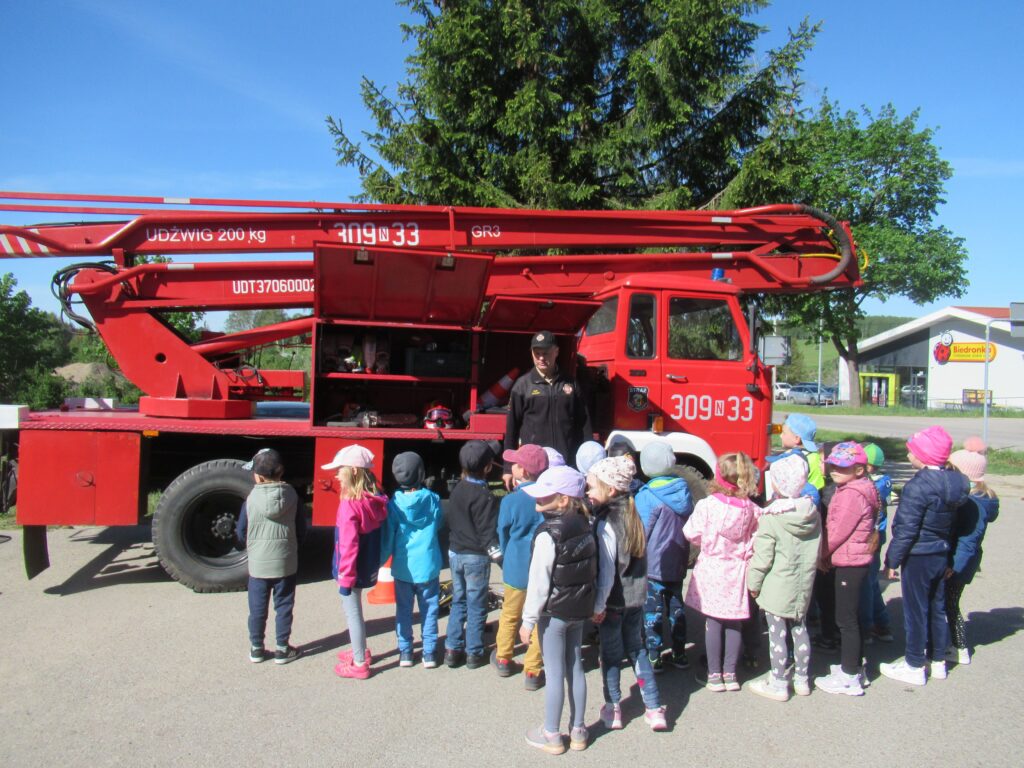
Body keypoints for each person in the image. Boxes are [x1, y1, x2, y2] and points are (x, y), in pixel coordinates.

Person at [880, 426, 968, 687]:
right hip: (941, 551)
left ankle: (915, 663)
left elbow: (906, 529)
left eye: (911, 452)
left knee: (915, 611)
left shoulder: (918, 487)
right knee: (936, 606)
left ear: (924, 456)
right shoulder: (956, 483)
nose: (908, 455)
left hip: (918, 554)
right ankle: (938, 660)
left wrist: (892, 561)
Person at [519, 466, 597, 754]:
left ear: (563, 500)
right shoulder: (586, 525)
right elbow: (595, 569)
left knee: (553, 673)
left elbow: (539, 580)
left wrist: (528, 620)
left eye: (544, 497)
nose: (537, 501)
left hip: (553, 615)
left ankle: (551, 733)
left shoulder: (547, 533)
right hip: (579, 610)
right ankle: (578, 729)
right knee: (575, 667)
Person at [589, 456, 668, 732]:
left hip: (613, 602)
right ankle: (654, 707)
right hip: (636, 599)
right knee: (638, 650)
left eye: (592, 487)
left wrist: (598, 606)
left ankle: (613, 708)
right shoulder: (634, 514)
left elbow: (608, 571)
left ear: (610, 490)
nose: (588, 493)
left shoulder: (606, 522)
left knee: (610, 656)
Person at [683, 452, 761, 692]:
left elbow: (690, 532)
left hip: (713, 568)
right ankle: (731, 673)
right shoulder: (751, 509)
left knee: (713, 623)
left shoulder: (708, 505)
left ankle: (713, 674)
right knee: (735, 623)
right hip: (737, 570)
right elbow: (757, 537)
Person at [746, 453, 821, 700]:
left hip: (778, 586)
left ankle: (778, 681)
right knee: (800, 629)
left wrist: (753, 584)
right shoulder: (811, 511)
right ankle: (801, 679)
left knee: (777, 635)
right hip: (803, 584)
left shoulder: (772, 517)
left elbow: (763, 557)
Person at [814, 442, 880, 696]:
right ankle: (853, 667)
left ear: (860, 469)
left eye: (843, 467)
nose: (835, 471)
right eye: (833, 465)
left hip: (849, 562)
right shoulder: (858, 488)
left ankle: (850, 675)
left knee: (846, 620)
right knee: (850, 618)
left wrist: (822, 555)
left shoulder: (851, 494)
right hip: (854, 559)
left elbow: (837, 531)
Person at [324, 444, 389, 680]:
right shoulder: (376, 501)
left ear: (352, 471)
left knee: (353, 613)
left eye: (339, 470)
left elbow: (348, 546)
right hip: (367, 566)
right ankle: (358, 647)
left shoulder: (349, 506)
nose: (335, 475)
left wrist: (345, 577)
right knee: (356, 612)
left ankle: (360, 662)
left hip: (350, 571)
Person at [502, 330, 592, 491]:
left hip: (566, 463)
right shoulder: (522, 386)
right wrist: (508, 468)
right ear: (531, 353)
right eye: (537, 354)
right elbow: (512, 429)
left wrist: (589, 463)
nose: (542, 358)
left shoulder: (571, 384)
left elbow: (584, 424)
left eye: (546, 353)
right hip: (534, 468)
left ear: (556, 352)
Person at [237, 448, 304, 664]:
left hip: (258, 565)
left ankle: (257, 648)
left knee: (257, 608)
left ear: (257, 475)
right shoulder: (292, 495)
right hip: (286, 562)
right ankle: (282, 649)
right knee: (284, 605)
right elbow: (301, 528)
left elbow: (241, 531)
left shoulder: (250, 499)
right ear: (281, 471)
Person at [381, 451, 444, 669]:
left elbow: (388, 537)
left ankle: (405, 652)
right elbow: (438, 524)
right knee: (430, 609)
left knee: (404, 610)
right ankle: (429, 653)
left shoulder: (393, 504)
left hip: (403, 568)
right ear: (421, 473)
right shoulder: (433, 499)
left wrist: (380, 560)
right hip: (428, 564)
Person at [635, 440, 693, 672]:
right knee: (677, 607)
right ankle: (680, 654)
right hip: (677, 561)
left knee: (653, 612)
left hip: (653, 565)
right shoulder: (683, 490)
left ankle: (654, 655)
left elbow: (641, 531)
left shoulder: (647, 496)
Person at [493, 444, 549, 687]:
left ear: (523, 472)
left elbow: (502, 533)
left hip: (515, 565)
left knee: (510, 614)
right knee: (538, 617)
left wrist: (506, 553)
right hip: (541, 568)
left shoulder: (510, 501)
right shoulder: (548, 497)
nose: (511, 466)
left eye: (515, 463)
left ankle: (504, 657)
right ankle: (532, 670)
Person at [445, 440, 501, 669]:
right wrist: (499, 557)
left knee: (458, 600)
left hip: (455, 552)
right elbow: (487, 532)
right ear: (488, 467)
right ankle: (474, 652)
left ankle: (451, 648)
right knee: (477, 603)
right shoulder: (484, 495)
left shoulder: (457, 489)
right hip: (476, 557)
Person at [945, 448, 1000, 666]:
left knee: (949, 604)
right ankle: (953, 644)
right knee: (950, 603)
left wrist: (954, 566)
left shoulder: (971, 502)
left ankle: (958, 647)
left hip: (959, 562)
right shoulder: (986, 497)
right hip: (968, 559)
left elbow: (968, 539)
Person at [860, 443, 894, 643]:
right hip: (877, 535)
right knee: (871, 582)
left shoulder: (873, 485)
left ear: (869, 466)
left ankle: (870, 625)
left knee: (867, 583)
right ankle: (881, 624)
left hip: (870, 536)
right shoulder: (884, 481)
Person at [767, 413, 824, 504]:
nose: (780, 436)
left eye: (784, 432)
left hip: (798, 502)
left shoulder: (797, 460)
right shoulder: (816, 456)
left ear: (797, 438)